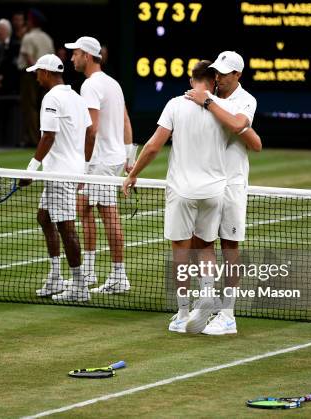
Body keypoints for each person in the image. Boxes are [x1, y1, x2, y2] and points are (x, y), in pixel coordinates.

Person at [123, 60, 262, 334]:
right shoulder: (227, 108)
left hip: (183, 191)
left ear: (191, 81)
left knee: (182, 251)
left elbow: (153, 146)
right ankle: (208, 293)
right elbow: (251, 138)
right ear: (213, 80)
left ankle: (183, 312)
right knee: (206, 246)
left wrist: (132, 174)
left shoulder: (176, 105)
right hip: (214, 192)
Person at [184, 51, 262, 335]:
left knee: (229, 246)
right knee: (201, 243)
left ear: (238, 75)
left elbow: (244, 130)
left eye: (225, 73)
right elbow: (253, 140)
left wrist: (207, 102)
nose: (219, 77)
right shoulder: (207, 98)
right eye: (216, 72)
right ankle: (208, 298)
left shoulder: (245, 100)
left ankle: (228, 314)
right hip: (205, 183)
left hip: (231, 184)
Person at [64, 35, 134, 294]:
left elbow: (91, 131)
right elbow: (126, 120)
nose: (72, 58)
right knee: (82, 208)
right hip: (112, 158)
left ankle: (119, 276)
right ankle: (90, 270)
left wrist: (82, 166)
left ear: (88, 56)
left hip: (101, 162)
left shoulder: (90, 86)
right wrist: (130, 157)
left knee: (109, 215)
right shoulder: (113, 83)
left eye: (76, 53)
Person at [20, 53, 92, 302]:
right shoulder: (76, 97)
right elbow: (89, 133)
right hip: (67, 171)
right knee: (44, 217)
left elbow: (48, 136)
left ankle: (80, 285)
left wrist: (31, 169)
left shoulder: (51, 98)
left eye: (38, 72)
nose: (37, 77)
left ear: (48, 73)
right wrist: (83, 168)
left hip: (61, 173)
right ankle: (55, 276)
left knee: (66, 227)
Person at [17, 8, 53, 146]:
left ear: (32, 22)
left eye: (28, 19)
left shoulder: (28, 37)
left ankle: (34, 140)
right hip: (47, 75)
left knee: (30, 107)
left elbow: (28, 58)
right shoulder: (47, 38)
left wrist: (36, 73)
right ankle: (42, 137)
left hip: (31, 76)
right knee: (42, 107)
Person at [0, 18, 18, 95]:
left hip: (8, 85)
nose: (0, 32)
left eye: (3, 29)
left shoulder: (15, 46)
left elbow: (14, 66)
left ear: (9, 32)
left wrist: (2, 78)